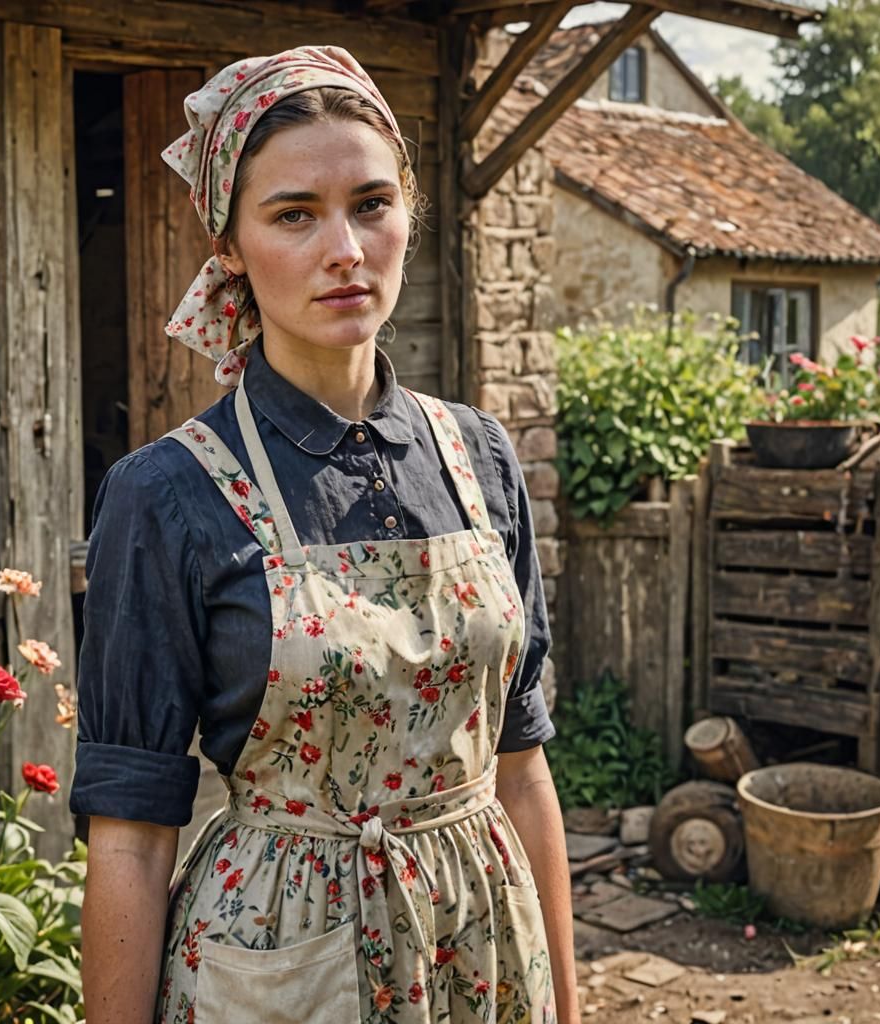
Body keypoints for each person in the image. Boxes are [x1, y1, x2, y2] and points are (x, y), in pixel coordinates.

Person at [71, 45, 579, 1024]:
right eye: (294, 213)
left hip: (478, 953)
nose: (344, 246)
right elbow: (130, 836)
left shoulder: (479, 458)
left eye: (371, 204)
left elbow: (519, 765)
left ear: (408, 216)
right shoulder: (167, 494)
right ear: (228, 248)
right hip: (280, 971)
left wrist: (565, 1003)